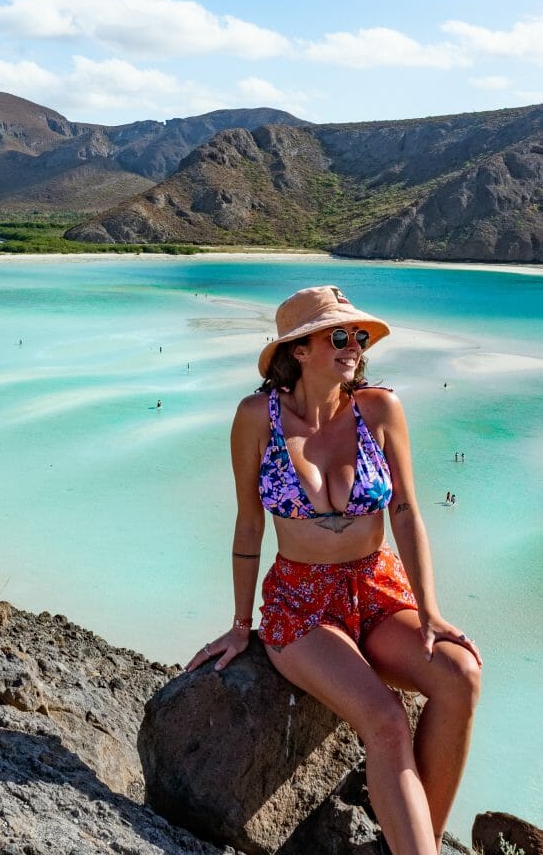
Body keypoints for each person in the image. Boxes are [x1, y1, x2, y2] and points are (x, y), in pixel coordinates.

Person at [185, 285, 481, 855]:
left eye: (359, 337)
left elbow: (406, 511)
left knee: (460, 675)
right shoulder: (256, 418)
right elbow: (249, 524)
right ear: (298, 350)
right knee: (386, 718)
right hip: (301, 601)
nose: (354, 346)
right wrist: (240, 623)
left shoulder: (379, 408)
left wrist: (432, 611)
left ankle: (418, 843)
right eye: (338, 336)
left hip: (376, 587)